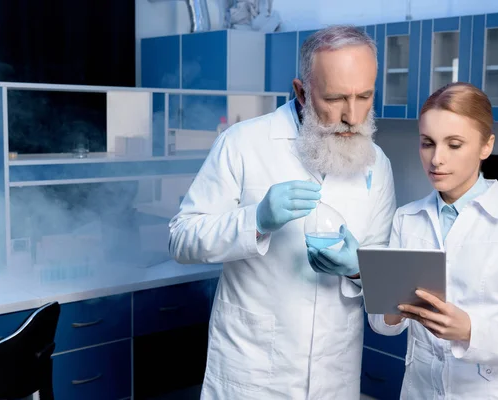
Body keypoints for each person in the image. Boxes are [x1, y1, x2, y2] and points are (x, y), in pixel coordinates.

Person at [169, 25, 396, 399]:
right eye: (336, 98)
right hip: (254, 374)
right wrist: (255, 221)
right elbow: (181, 239)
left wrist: (357, 268)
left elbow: (384, 279)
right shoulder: (243, 144)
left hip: (333, 375)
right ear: (302, 92)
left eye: (365, 96)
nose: (352, 116)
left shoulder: (377, 165)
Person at [368, 82, 498, 399]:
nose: (436, 159)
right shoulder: (406, 218)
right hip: (419, 390)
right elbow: (383, 324)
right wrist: (391, 306)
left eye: (454, 144)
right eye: (428, 143)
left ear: (486, 145)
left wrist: (469, 330)